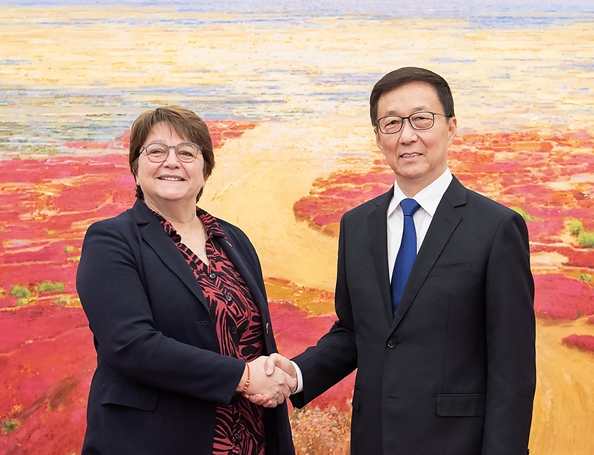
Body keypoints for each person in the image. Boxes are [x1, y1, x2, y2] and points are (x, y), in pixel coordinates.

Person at [262, 67, 536, 454]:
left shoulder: (496, 227)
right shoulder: (357, 225)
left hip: (457, 445)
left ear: (451, 126)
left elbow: (513, 366)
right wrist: (297, 373)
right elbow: (356, 332)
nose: (407, 135)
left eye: (422, 119)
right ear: (378, 137)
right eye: (391, 123)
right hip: (374, 441)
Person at [77, 106, 296, 455]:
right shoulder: (111, 240)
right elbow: (130, 345)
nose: (172, 161)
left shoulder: (233, 238)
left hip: (252, 439)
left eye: (187, 152)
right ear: (136, 167)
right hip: (156, 439)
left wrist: (273, 375)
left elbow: (255, 340)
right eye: (156, 151)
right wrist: (243, 376)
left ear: (205, 170)